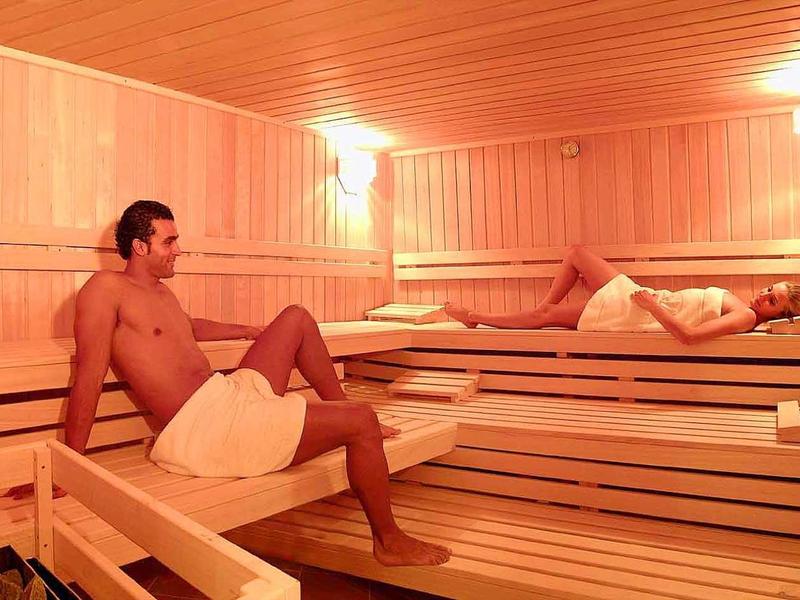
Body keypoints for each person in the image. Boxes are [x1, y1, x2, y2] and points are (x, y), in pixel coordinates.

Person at [10, 200, 451, 567]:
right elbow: (88, 373)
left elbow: (183, 328)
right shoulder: (105, 290)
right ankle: (388, 541)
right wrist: (68, 466)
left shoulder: (161, 292)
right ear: (140, 246)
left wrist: (242, 329)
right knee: (361, 421)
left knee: (295, 317)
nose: (178, 250)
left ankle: (347, 412)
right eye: (170, 241)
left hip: (227, 397)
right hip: (208, 429)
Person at [445, 245, 800, 345]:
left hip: (641, 312)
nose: (763, 296)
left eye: (773, 300)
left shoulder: (746, 318)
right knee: (576, 255)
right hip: (646, 300)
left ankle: (475, 316)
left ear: (783, 315)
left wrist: (650, 305)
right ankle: (542, 306)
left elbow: (688, 336)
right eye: (770, 289)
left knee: (546, 316)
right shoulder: (744, 308)